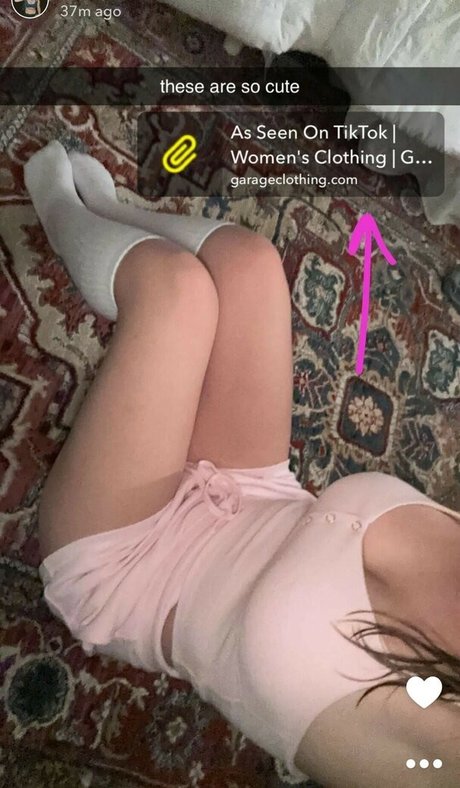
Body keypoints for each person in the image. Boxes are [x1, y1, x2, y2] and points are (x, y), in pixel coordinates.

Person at [25, 141, 460, 787]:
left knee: (176, 292)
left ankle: (59, 210)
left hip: (134, 571)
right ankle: (110, 209)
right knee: (250, 263)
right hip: (254, 491)